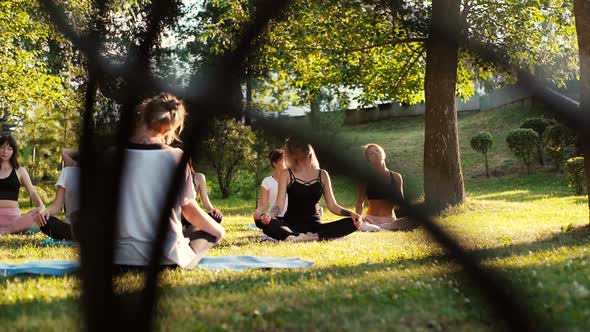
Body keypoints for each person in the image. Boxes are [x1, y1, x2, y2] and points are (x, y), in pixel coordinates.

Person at [113, 93, 225, 269]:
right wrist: (219, 231)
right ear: (167, 129)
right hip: (166, 260)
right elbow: (189, 211)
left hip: (116, 259)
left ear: (143, 116)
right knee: (209, 230)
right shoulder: (175, 158)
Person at [260, 137, 361, 241]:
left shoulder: (323, 174)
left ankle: (311, 237)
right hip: (291, 225)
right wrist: (269, 215)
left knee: (352, 222)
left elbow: (333, 206)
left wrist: (351, 214)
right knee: (267, 224)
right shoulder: (286, 174)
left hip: (315, 227)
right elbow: (279, 206)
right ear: (292, 153)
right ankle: (295, 236)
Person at [355, 144, 418, 231]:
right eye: (371, 153)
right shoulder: (365, 178)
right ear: (368, 160)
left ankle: (379, 228)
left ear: (384, 154)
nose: (376, 154)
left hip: (390, 221)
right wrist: (356, 220)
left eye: (378, 151)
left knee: (415, 220)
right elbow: (360, 202)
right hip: (370, 220)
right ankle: (374, 228)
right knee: (360, 223)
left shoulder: (396, 177)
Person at [0, 135, 45, 234]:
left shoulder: (20, 171)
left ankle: (8, 230)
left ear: (13, 151)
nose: (5, 151)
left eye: (9, 148)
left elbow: (32, 192)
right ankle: (14, 230)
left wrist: (41, 205)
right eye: (2, 147)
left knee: (38, 215)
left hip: (14, 219)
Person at [35, 149, 80, 241]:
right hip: (71, 227)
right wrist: (47, 212)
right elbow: (57, 206)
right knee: (45, 221)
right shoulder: (68, 172)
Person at [253, 149, 288, 229]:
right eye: (283, 160)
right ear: (274, 163)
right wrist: (258, 211)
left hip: (291, 217)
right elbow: (263, 203)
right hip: (274, 217)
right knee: (261, 219)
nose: (287, 163)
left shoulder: (293, 179)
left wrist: (317, 207)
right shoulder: (267, 181)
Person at [181, 160, 222, 226]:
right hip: (178, 217)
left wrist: (212, 209)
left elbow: (206, 202)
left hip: (193, 216)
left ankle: (191, 228)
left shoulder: (199, 177)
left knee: (216, 217)